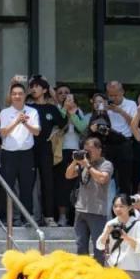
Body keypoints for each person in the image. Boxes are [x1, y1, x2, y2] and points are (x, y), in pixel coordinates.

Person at [66, 137, 113, 265]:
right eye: (85, 151)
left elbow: (102, 179)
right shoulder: (83, 164)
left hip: (96, 211)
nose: (87, 154)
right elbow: (68, 175)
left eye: (89, 151)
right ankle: (84, 272)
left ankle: (99, 272)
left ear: (99, 150)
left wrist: (87, 165)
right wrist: (75, 161)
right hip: (80, 210)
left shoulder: (106, 164)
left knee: (99, 247)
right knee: (81, 246)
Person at [26, 76, 65, 227]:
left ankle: (49, 216)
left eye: (37, 86)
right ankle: (29, 216)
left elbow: (62, 123)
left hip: (45, 148)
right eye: (32, 86)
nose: (33, 89)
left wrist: (54, 95)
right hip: (29, 147)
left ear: (44, 90)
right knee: (28, 182)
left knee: (47, 182)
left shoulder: (51, 108)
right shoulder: (27, 107)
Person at [0, 82, 40, 216]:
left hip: (26, 154)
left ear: (25, 95)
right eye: (14, 94)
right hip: (8, 154)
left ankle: (26, 217)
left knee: (26, 187)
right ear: (10, 96)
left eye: (20, 94)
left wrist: (25, 122)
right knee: (6, 186)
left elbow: (37, 132)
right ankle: (3, 217)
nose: (17, 96)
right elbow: (3, 132)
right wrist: (16, 121)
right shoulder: (5, 112)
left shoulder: (32, 111)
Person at [53, 84, 87, 226]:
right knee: (62, 185)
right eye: (61, 93)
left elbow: (82, 128)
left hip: (77, 151)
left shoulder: (79, 111)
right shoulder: (57, 110)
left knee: (76, 184)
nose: (64, 95)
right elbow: (59, 125)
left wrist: (72, 113)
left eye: (67, 93)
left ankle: (76, 216)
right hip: (61, 152)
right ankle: (62, 216)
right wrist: (64, 110)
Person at [96, 194, 140, 279]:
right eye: (115, 206)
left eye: (121, 206)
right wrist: (106, 233)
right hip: (112, 269)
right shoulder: (110, 224)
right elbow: (99, 246)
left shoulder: (137, 224)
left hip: (132, 270)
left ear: (129, 207)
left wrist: (126, 237)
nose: (118, 209)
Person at [105, 81, 138, 196]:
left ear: (122, 92)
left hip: (125, 142)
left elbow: (134, 124)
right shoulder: (105, 104)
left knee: (125, 177)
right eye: (111, 95)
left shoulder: (131, 104)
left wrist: (120, 111)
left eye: (116, 95)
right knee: (108, 175)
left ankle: (125, 203)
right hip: (109, 142)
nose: (113, 98)